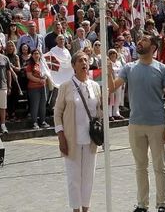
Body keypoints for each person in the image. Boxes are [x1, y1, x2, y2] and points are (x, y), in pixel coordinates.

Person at [108, 37, 165, 212]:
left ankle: (162, 204)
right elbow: (113, 87)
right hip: (135, 123)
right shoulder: (128, 67)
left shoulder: (163, 69)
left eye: (144, 41)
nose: (140, 43)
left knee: (159, 166)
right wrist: (108, 71)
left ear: (153, 47)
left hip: (157, 124)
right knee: (140, 167)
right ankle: (142, 204)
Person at [54, 51, 103, 212]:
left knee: (89, 177)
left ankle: (86, 208)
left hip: (91, 140)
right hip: (71, 139)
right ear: (74, 65)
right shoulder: (66, 86)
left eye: (86, 60)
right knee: (74, 178)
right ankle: (76, 209)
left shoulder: (95, 86)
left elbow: (99, 110)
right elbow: (58, 112)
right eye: (80, 61)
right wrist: (61, 137)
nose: (84, 63)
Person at [25, 48, 49, 129]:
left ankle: (42, 121)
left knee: (43, 105)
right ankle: (34, 122)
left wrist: (44, 78)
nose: (36, 55)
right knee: (35, 105)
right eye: (35, 53)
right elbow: (29, 76)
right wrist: (39, 80)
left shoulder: (42, 63)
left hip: (43, 87)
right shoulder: (30, 64)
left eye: (38, 53)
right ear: (32, 55)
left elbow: (47, 73)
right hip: (33, 88)